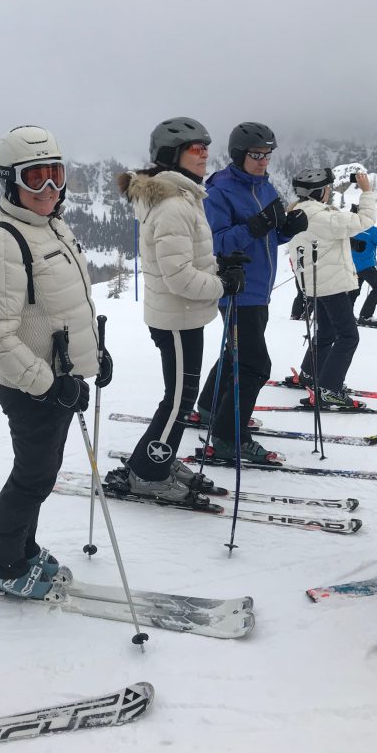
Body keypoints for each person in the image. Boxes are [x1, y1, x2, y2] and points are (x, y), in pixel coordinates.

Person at [0, 126, 110, 599]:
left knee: (40, 474)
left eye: (56, 175)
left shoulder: (53, 226)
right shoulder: (3, 241)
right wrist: (48, 384)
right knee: (33, 478)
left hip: (57, 382)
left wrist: (95, 355)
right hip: (30, 386)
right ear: (10, 182)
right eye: (35, 178)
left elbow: (68, 307)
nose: (49, 189)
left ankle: (20, 548)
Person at [117, 118, 246, 503]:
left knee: (179, 397)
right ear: (172, 154)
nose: (204, 154)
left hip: (183, 315)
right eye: (195, 148)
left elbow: (189, 260)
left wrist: (221, 268)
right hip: (176, 317)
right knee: (178, 400)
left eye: (206, 147)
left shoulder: (181, 196)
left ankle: (157, 458)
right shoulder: (174, 204)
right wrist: (223, 285)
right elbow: (178, 277)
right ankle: (147, 473)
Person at [195, 122, 308, 462]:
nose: (263, 161)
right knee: (255, 365)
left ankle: (210, 408)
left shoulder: (265, 187)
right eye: (257, 155)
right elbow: (215, 243)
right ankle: (229, 437)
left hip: (259, 290)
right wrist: (256, 225)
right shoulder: (220, 191)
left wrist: (285, 230)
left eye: (268, 155)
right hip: (236, 290)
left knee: (236, 355)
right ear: (239, 154)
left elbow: (266, 235)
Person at [286, 167, 376, 409]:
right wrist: (367, 192)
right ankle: (330, 390)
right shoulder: (321, 217)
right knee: (349, 336)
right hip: (331, 284)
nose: (330, 192)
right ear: (318, 192)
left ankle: (309, 374)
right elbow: (365, 221)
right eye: (327, 188)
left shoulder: (297, 212)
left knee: (326, 333)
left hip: (315, 284)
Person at [349, 224, 377, 326]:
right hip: (366, 265)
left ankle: (347, 315)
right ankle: (365, 316)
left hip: (353, 265)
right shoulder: (371, 229)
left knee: (354, 291)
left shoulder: (352, 226)